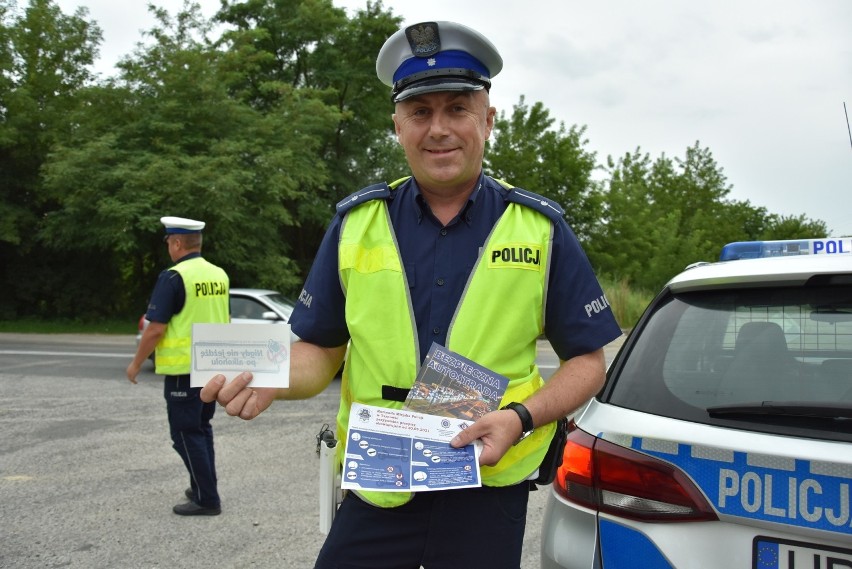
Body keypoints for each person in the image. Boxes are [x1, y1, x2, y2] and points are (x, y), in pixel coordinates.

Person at [202, 20, 622, 567]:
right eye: (421, 112)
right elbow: (321, 349)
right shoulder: (356, 223)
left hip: (487, 481)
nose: (438, 129)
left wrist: (520, 417)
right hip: (381, 481)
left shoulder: (539, 229)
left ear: (488, 120)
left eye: (457, 109)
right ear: (397, 125)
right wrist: (268, 376)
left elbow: (588, 363)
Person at [127, 216, 229, 516]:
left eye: (169, 243)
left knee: (184, 434)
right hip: (212, 368)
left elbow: (155, 328)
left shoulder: (173, 277)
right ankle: (203, 485)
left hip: (183, 371)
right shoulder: (218, 274)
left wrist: (135, 364)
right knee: (201, 428)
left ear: (176, 243)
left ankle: (207, 498)